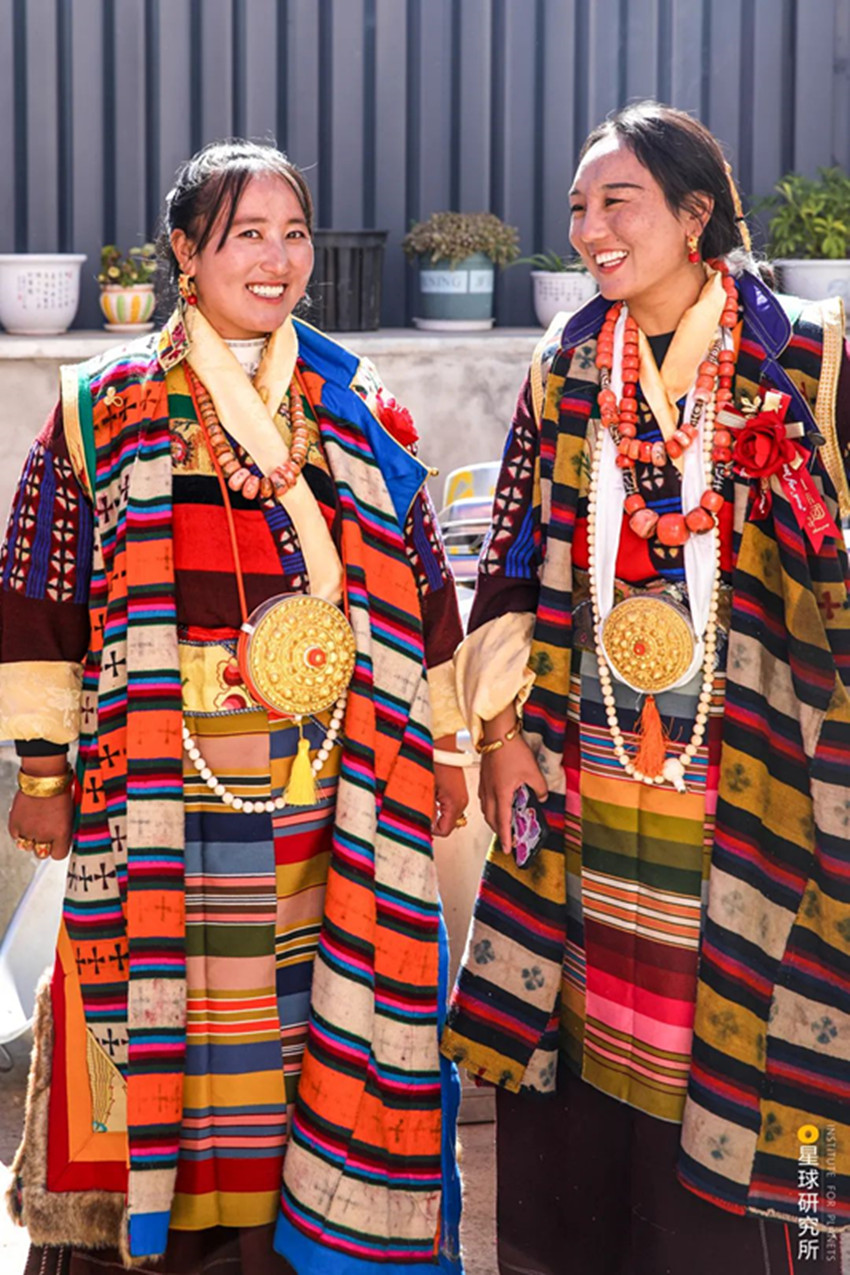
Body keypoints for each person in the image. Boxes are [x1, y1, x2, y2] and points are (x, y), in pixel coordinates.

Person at [2, 139, 468, 1275]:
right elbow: (38, 597)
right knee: (175, 1023)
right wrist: (44, 771)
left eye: (293, 233)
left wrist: (448, 744)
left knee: (310, 1022)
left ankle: (298, 1238)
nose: (277, 258)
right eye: (246, 234)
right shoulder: (100, 406)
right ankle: (162, 1241)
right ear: (185, 251)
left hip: (331, 787)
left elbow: (422, 584)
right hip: (162, 785)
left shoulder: (356, 400)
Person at [442, 101, 850, 1275]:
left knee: (756, 1030)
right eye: (578, 208)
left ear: (694, 212)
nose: (589, 230)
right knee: (576, 1032)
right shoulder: (565, 365)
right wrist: (499, 737)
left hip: (757, 777)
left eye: (617, 202)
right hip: (588, 773)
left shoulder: (807, 360)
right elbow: (508, 562)